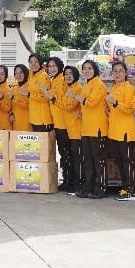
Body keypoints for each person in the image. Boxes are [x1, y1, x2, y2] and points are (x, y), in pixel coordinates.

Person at [106, 61, 135, 201]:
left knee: (127, 161)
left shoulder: (129, 88)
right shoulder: (113, 88)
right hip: (114, 130)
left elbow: (130, 109)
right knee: (119, 161)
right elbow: (112, 110)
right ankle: (125, 186)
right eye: (115, 71)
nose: (117, 73)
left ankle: (130, 190)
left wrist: (115, 102)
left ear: (126, 73)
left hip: (125, 130)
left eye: (120, 71)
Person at [77, 59, 109, 199]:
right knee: (88, 160)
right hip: (86, 128)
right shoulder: (86, 85)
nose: (87, 70)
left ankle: (100, 188)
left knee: (98, 160)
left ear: (95, 69)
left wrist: (76, 97)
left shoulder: (99, 85)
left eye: (89, 68)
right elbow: (84, 105)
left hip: (98, 128)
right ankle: (88, 187)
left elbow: (91, 102)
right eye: (85, 68)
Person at [46, 58, 77, 193]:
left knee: (68, 154)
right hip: (57, 122)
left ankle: (72, 181)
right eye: (50, 66)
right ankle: (66, 179)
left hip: (64, 123)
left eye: (54, 66)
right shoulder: (53, 80)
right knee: (63, 153)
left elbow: (66, 101)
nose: (52, 68)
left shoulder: (62, 80)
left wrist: (52, 97)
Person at [27, 54, 53, 132]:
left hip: (43, 118)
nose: (33, 64)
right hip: (33, 117)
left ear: (40, 63)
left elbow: (46, 97)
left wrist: (29, 95)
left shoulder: (44, 77)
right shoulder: (31, 76)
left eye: (36, 61)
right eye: (31, 62)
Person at [9, 64, 32, 131]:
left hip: (27, 124)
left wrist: (14, 98)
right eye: (16, 73)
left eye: (21, 72)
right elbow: (11, 106)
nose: (18, 75)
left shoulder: (30, 87)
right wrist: (10, 114)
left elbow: (28, 105)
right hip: (15, 123)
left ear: (26, 73)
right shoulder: (14, 89)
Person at [0, 65, 14, 130]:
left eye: (2, 74)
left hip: (3, 125)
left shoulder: (7, 90)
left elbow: (7, 108)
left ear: (5, 76)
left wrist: (1, 97)